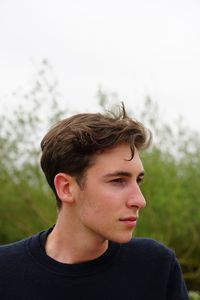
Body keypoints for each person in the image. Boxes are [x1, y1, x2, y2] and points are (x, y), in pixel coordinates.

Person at [0, 103, 188, 299]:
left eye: (138, 180)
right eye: (117, 181)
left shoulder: (156, 267)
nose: (140, 200)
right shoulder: (5, 272)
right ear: (66, 188)